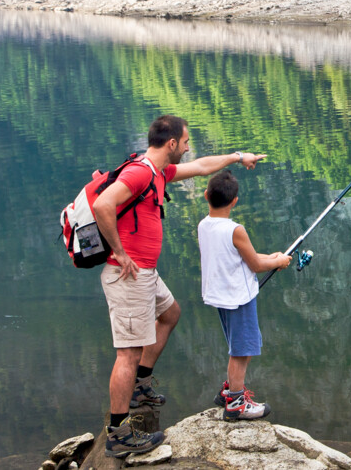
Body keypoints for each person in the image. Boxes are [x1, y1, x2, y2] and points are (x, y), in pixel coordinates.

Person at [91, 114, 266, 458]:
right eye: (185, 143)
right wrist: (120, 252)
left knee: (170, 313)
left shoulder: (159, 172)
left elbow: (202, 167)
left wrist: (237, 156)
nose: (188, 149)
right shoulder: (140, 172)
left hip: (146, 273)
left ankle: (141, 384)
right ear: (171, 143)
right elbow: (102, 205)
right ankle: (118, 433)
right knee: (127, 352)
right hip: (128, 274)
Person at [199, 170, 292, 421]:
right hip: (238, 298)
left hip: (220, 295)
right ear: (235, 201)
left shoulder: (205, 225)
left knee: (238, 345)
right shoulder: (235, 229)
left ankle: (228, 391)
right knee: (242, 349)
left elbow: (241, 258)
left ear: (206, 196)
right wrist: (278, 262)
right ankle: (236, 403)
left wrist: (272, 258)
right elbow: (254, 265)